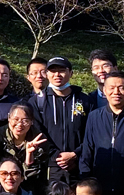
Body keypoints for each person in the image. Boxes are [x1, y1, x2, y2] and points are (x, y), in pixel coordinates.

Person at [31, 56, 94, 184]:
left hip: (80, 164)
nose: (57, 75)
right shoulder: (37, 101)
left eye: (62, 70)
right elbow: (37, 131)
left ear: (71, 73)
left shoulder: (85, 100)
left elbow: (92, 132)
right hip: (51, 166)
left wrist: (75, 154)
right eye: (53, 71)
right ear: (47, 74)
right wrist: (57, 156)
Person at [0, 104, 51, 195]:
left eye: (25, 120)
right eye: (16, 119)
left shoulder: (39, 139)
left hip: (30, 186)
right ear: (9, 118)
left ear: (31, 122)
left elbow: (36, 175)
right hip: (3, 182)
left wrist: (29, 156)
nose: (20, 124)